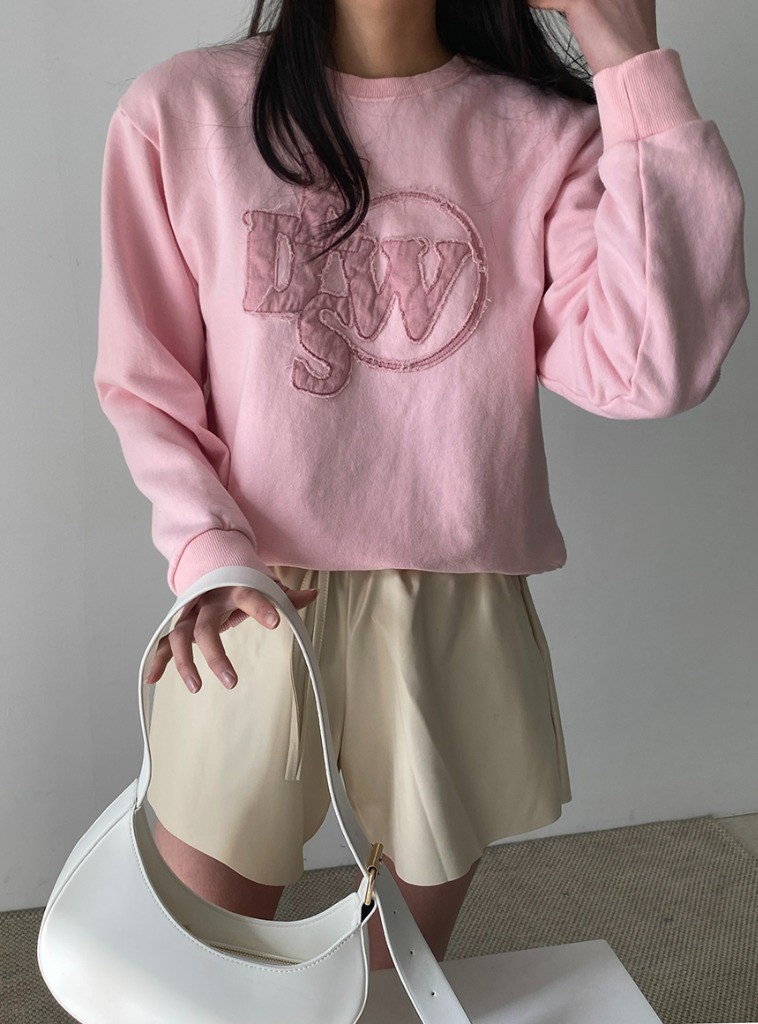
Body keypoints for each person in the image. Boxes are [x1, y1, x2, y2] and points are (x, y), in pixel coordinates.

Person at [93, 0, 749, 972]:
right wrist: (205, 552)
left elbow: (654, 367)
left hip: (452, 603)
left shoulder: (541, 135)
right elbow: (147, 383)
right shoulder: (182, 112)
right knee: (202, 979)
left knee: (394, 987)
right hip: (251, 600)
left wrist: (628, 56)